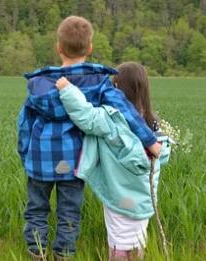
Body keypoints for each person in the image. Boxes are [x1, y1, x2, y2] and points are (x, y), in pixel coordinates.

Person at [18, 16, 161, 260]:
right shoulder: (98, 82)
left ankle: (36, 252)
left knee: (36, 209)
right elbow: (126, 111)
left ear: (58, 48)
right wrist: (149, 140)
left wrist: (25, 154)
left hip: (40, 159)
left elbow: (24, 123)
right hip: (74, 161)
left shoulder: (39, 84)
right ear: (90, 48)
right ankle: (64, 254)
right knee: (69, 212)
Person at [55, 62, 171, 261]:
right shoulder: (151, 124)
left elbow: (85, 115)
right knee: (136, 242)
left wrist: (67, 89)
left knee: (119, 244)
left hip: (120, 198)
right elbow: (160, 156)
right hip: (143, 200)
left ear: (116, 88)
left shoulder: (113, 119)